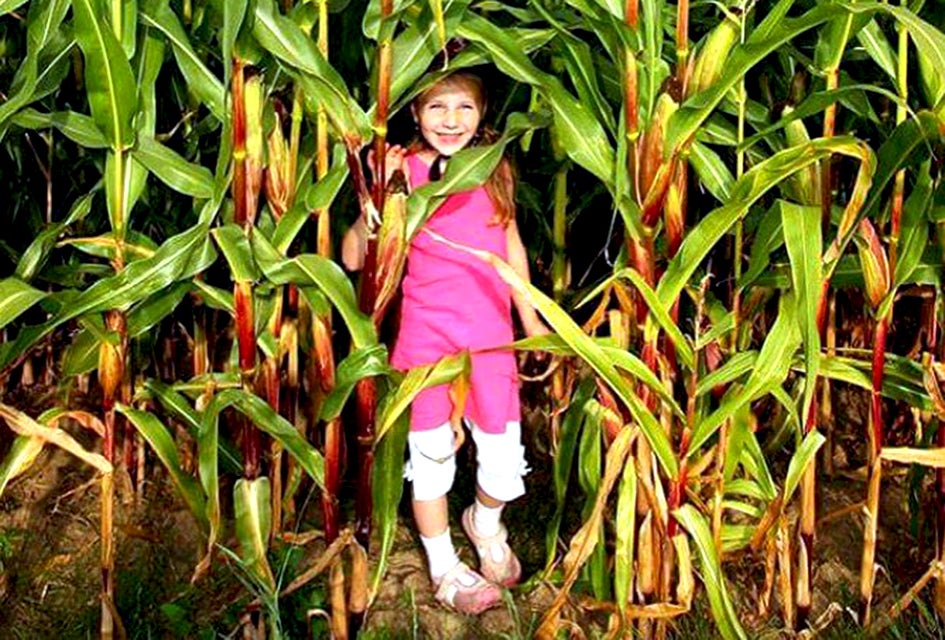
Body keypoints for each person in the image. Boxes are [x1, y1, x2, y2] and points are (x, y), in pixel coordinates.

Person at [342, 71, 549, 614]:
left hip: (490, 339)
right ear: (415, 113)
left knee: (502, 459)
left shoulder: (493, 168)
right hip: (425, 339)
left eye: (464, 108)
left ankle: (484, 523)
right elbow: (353, 258)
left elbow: (511, 246)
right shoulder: (404, 171)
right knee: (431, 458)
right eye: (437, 107)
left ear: (483, 114)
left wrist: (531, 321)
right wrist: (380, 195)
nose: (451, 120)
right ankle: (443, 566)